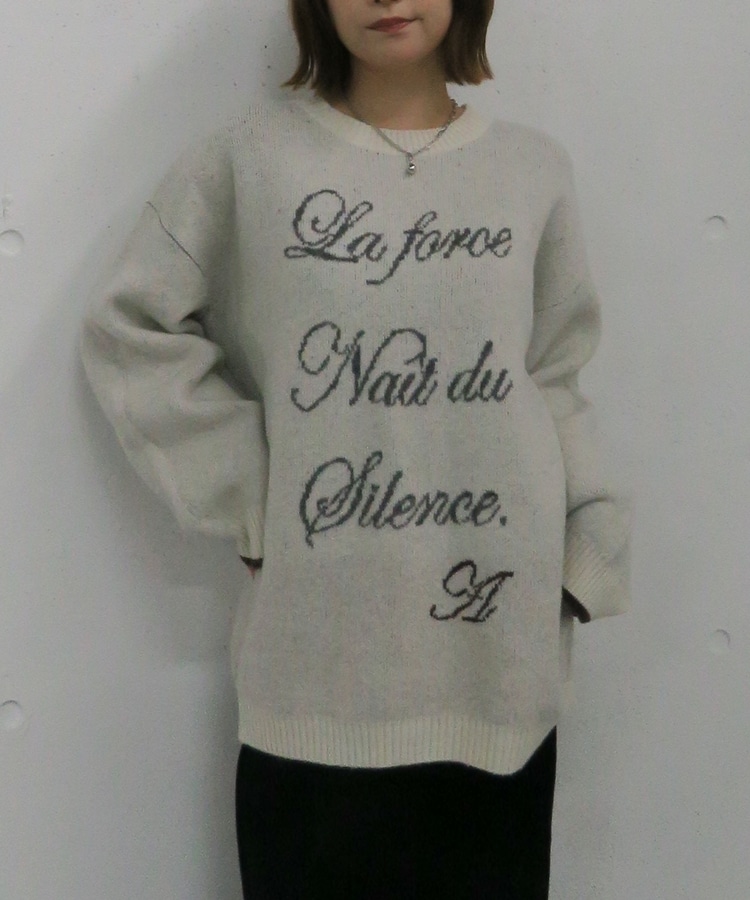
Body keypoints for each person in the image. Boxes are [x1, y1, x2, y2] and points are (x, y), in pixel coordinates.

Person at [80, 0, 631, 896]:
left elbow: (556, 375)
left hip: (496, 681)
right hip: (313, 693)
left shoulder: (533, 171)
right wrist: (252, 491)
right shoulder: (251, 159)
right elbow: (130, 327)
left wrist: (586, 554)